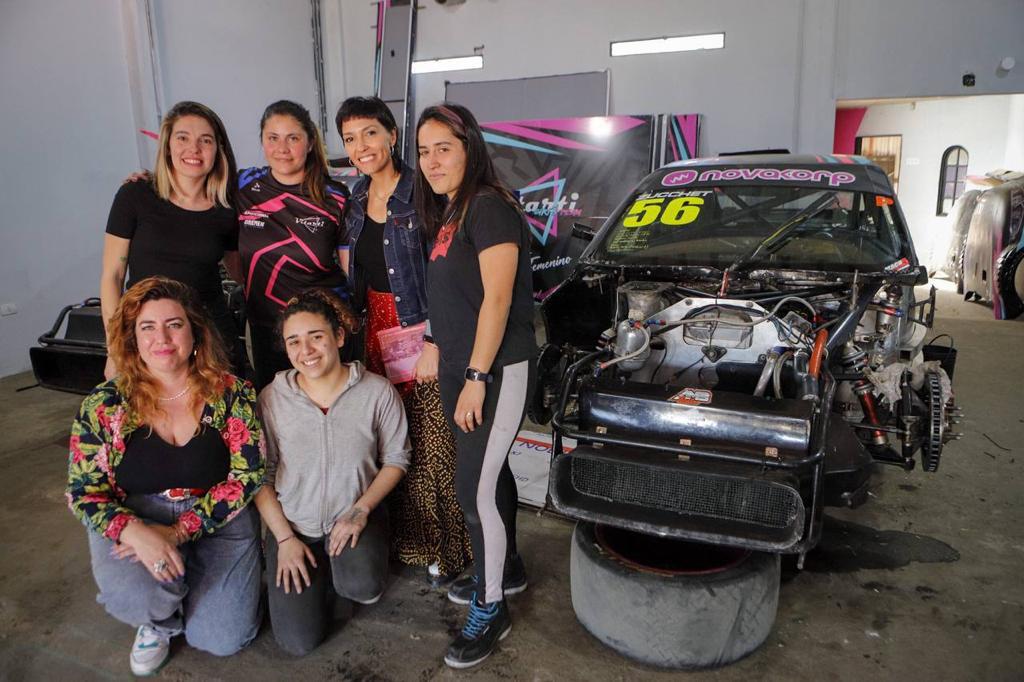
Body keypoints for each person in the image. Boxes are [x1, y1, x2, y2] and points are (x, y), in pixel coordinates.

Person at [67, 276, 264, 676]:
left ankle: (193, 585)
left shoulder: (233, 394)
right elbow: (84, 492)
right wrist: (134, 532)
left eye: (174, 324)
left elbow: (247, 475)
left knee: (222, 638)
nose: (163, 338)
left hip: (216, 520)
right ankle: (159, 621)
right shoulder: (104, 405)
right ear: (133, 338)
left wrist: (177, 534)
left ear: (195, 332)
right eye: (147, 327)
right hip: (137, 515)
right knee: (135, 600)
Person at [415, 103, 538, 669]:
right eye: (423, 150)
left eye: (444, 147)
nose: (432, 160)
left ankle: (491, 611)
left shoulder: (488, 206)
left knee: (474, 490)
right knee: (493, 472)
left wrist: (475, 377)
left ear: (470, 148)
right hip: (463, 367)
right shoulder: (450, 211)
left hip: (492, 370)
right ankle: (505, 568)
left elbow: (497, 298)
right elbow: (454, 298)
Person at [336, 96, 471, 584]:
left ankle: (449, 553)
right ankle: (407, 545)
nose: (361, 146)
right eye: (350, 138)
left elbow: (449, 269)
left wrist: (436, 336)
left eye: (370, 133)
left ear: (393, 135)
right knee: (391, 443)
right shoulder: (353, 197)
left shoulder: (424, 190)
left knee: (434, 444)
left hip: (423, 331)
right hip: (373, 332)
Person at [254, 289, 409, 655]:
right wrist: (284, 540)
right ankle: (316, 567)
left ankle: (345, 567)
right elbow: (260, 476)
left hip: (352, 516)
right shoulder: (271, 399)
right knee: (297, 643)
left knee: (363, 587)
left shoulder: (377, 392)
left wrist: (360, 512)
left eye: (316, 337)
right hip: (294, 527)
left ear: (339, 337)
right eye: (294, 341)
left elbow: (396, 459)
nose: (305, 351)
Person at [101, 101, 243, 379]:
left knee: (221, 419)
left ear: (218, 150)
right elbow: (112, 277)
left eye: (206, 140)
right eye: (183, 138)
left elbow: (241, 274)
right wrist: (114, 349)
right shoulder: (135, 195)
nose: (194, 149)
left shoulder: (227, 209)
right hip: (152, 336)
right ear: (167, 146)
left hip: (210, 337)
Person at [238, 100, 350, 390]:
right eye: (272, 138)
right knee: (277, 418)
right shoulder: (243, 185)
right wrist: (146, 180)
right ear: (262, 141)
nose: (282, 148)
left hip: (321, 332)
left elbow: (352, 269)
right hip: (266, 327)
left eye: (293, 138)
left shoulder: (335, 196)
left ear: (310, 143)